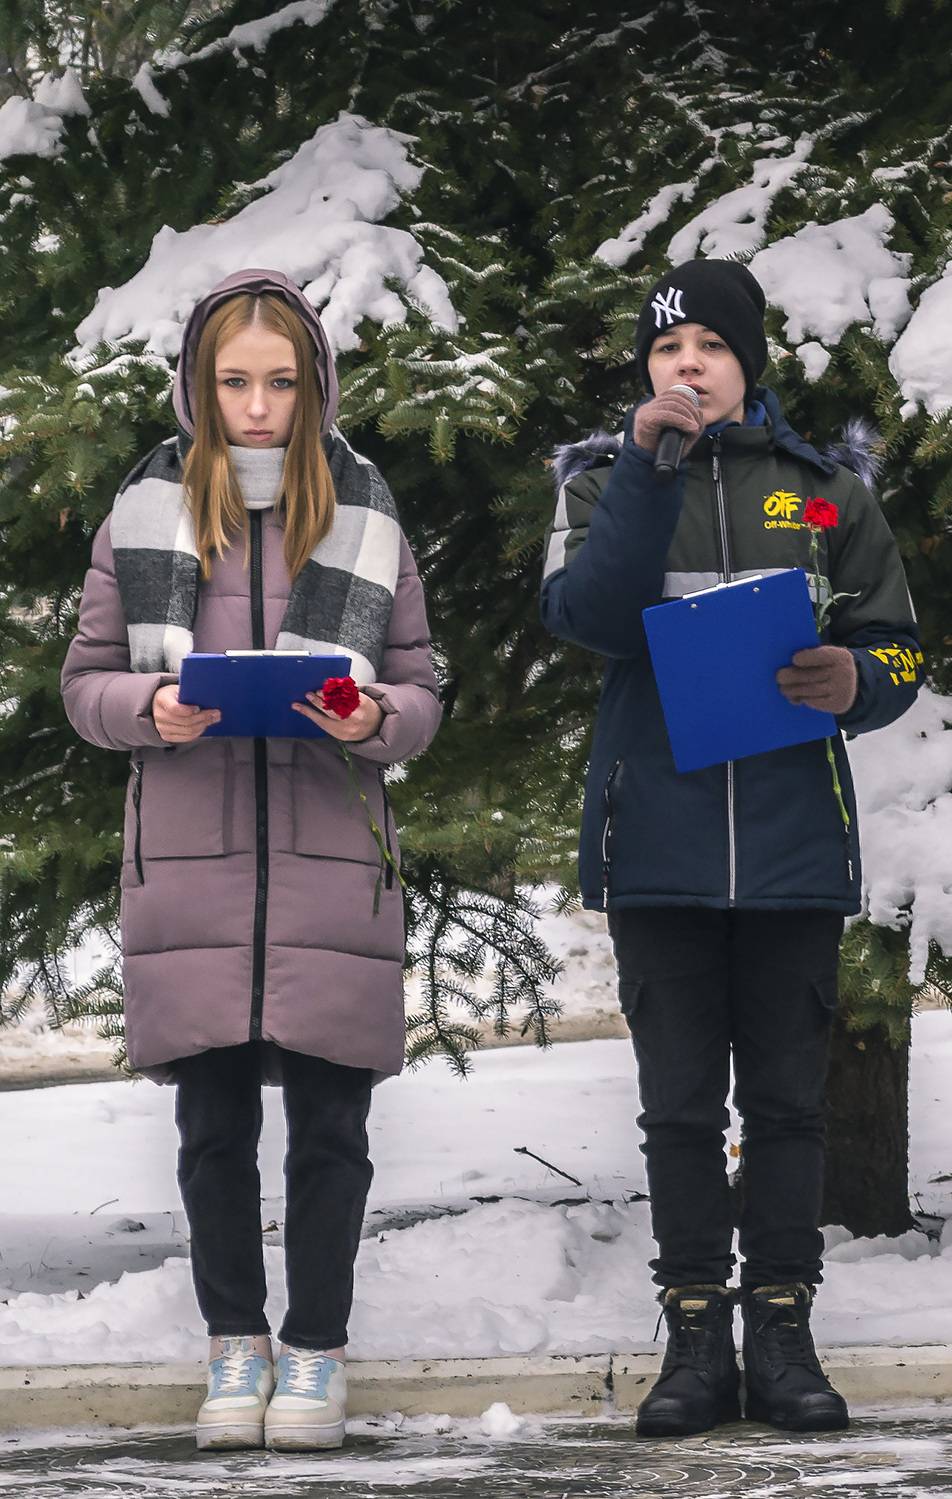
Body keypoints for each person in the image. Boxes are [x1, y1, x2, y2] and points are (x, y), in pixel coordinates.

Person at [540, 258, 923, 1439]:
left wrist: (856, 677)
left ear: (747, 363)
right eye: (666, 349)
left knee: (789, 1106)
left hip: (790, 845)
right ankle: (697, 1336)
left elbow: (898, 645)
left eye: (709, 345)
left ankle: (784, 1332)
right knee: (677, 1110)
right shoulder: (599, 483)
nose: (687, 364)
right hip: (655, 843)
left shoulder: (823, 494)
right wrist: (646, 469)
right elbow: (590, 616)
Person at [61, 268, 442, 1452]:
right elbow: (85, 684)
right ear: (198, 385)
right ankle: (236, 1344)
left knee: (332, 1132)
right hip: (194, 861)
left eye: (281, 382)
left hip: (333, 858)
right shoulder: (142, 512)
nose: (260, 407)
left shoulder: (366, 511)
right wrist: (150, 706)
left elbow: (421, 690)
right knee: (213, 1131)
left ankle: (315, 1352)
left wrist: (371, 716)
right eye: (236, 382)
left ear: (315, 384)